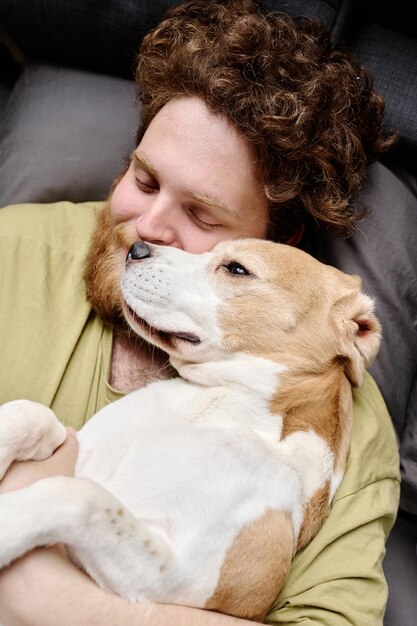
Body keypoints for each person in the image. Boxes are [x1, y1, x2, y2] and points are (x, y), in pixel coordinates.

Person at [0, 1, 400, 624]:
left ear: (278, 243)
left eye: (202, 215)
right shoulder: (13, 254)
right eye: (145, 179)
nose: (148, 231)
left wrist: (46, 598)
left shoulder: (336, 413)